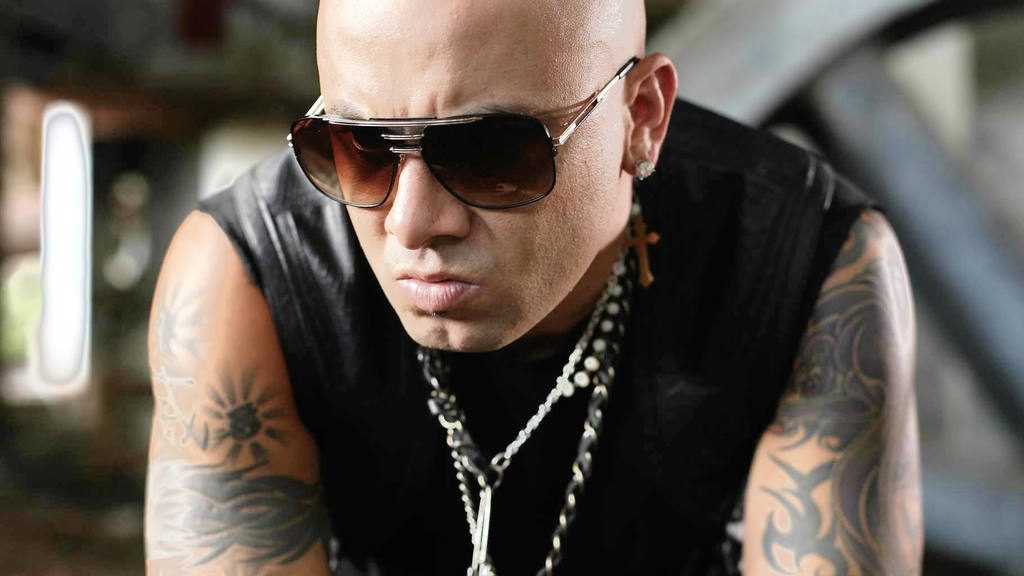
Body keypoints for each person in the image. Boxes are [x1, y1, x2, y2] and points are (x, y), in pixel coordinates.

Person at [144, 1, 922, 574]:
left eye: (490, 152)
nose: (413, 223)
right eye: (358, 147)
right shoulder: (246, 275)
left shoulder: (803, 260)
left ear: (642, 119)